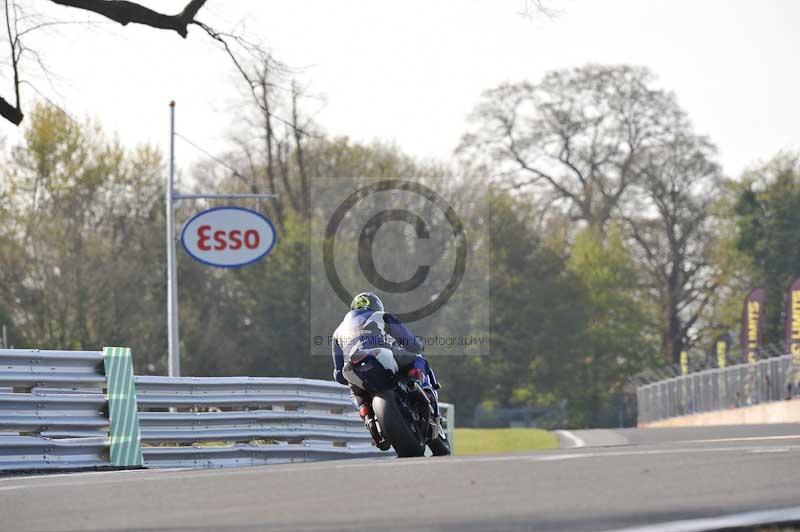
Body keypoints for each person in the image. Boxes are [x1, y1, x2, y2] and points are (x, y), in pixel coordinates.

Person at [331, 291, 440, 449]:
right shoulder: (382, 316)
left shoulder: (337, 332)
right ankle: (419, 386)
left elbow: (339, 375)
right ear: (376, 306)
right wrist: (417, 345)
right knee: (418, 358)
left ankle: (368, 418)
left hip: (352, 367)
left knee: (355, 390)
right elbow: (410, 343)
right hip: (381, 355)